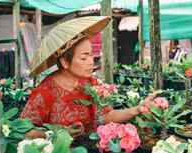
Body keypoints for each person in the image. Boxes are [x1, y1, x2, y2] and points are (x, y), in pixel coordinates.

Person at [21, 16, 156, 138]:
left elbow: (106, 116)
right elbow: (25, 132)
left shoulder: (91, 83)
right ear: (64, 62)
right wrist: (59, 133)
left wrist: (136, 109)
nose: (91, 61)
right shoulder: (45, 92)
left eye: (91, 55)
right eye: (84, 57)